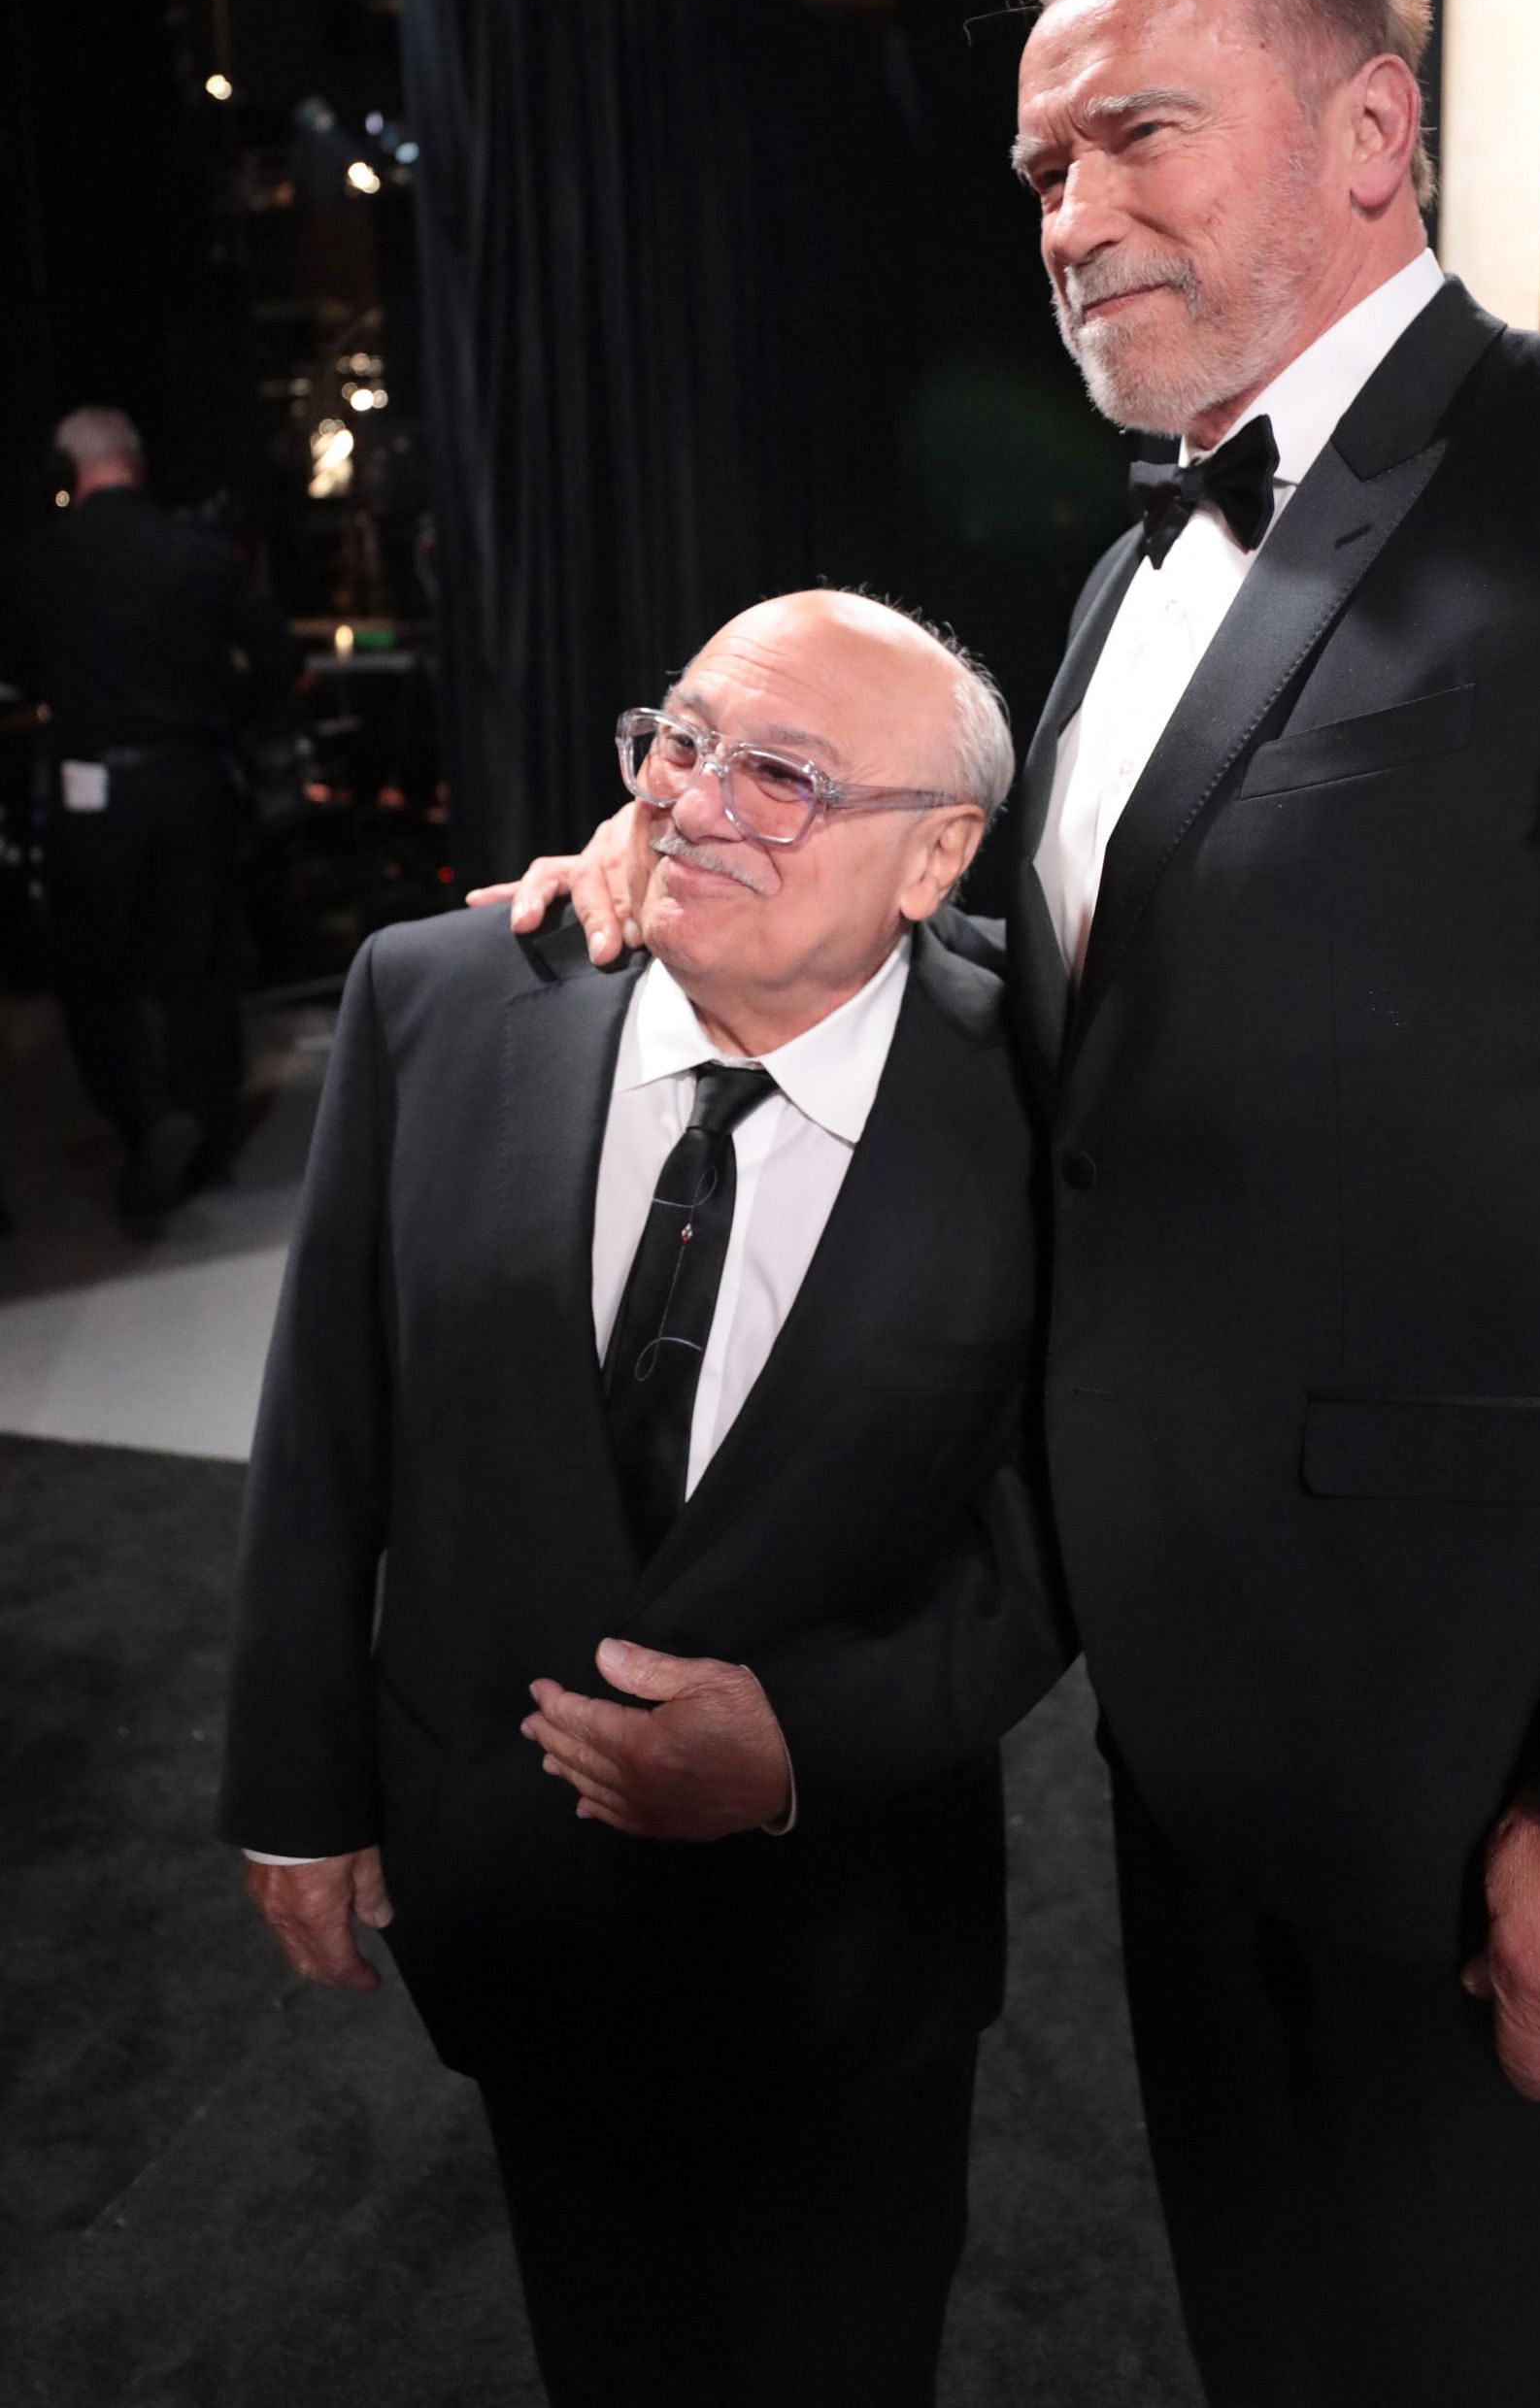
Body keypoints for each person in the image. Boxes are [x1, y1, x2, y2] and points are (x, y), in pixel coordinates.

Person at [489, 0, 1540, 2406]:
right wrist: (720, 872)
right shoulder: (1129, 587)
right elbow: (1130, 1034)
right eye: (1038, 168)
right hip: (1202, 1762)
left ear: (1371, 133)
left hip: (1528, 1778)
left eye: (1138, 133)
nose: (1071, 211)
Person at [219, 590, 1068, 2408]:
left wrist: (800, 1742)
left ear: (938, 854)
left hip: (849, 1940)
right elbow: (327, 1429)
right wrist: (294, 1789)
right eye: (678, 741)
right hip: (507, 1893)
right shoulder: (443, 994)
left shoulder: (1052, 1089)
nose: (693, 803)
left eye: (784, 775)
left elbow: (1061, 1517)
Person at [19, 407, 297, 1214]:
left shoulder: (43, 559)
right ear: (136, 464)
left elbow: (23, 678)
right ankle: (204, 1141)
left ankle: (147, 1120)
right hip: (190, 780)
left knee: (95, 976)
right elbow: (277, 656)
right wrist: (217, 712)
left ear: (68, 472)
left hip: (91, 790)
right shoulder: (197, 550)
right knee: (200, 968)